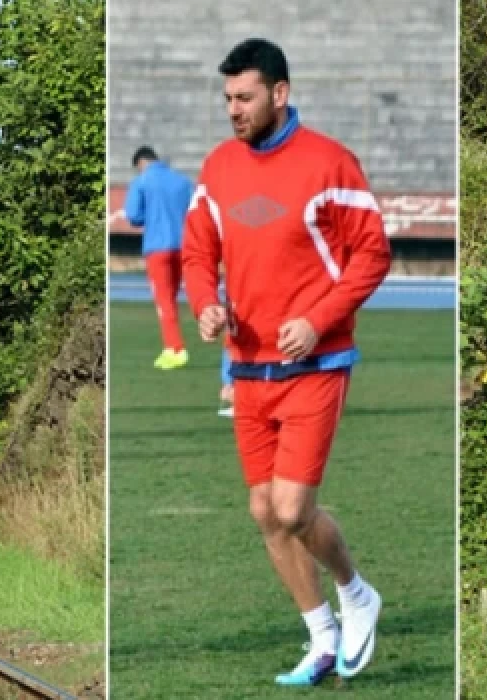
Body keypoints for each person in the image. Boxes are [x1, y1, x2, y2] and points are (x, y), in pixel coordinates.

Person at [181, 38, 390, 686]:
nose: (233, 110)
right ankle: (322, 637)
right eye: (227, 99)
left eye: (244, 97)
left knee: (294, 508)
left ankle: (357, 594)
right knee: (265, 511)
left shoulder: (330, 162)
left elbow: (372, 254)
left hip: (317, 365)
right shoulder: (218, 167)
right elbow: (197, 251)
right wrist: (206, 304)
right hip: (248, 369)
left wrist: (318, 319)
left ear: (279, 93)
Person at [123, 145, 195, 370]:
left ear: (141, 163)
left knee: (164, 300)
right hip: (183, 245)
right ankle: (173, 346)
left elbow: (133, 215)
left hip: (157, 247)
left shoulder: (142, 181)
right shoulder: (183, 181)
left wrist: (150, 215)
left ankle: (175, 348)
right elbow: (195, 211)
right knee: (183, 295)